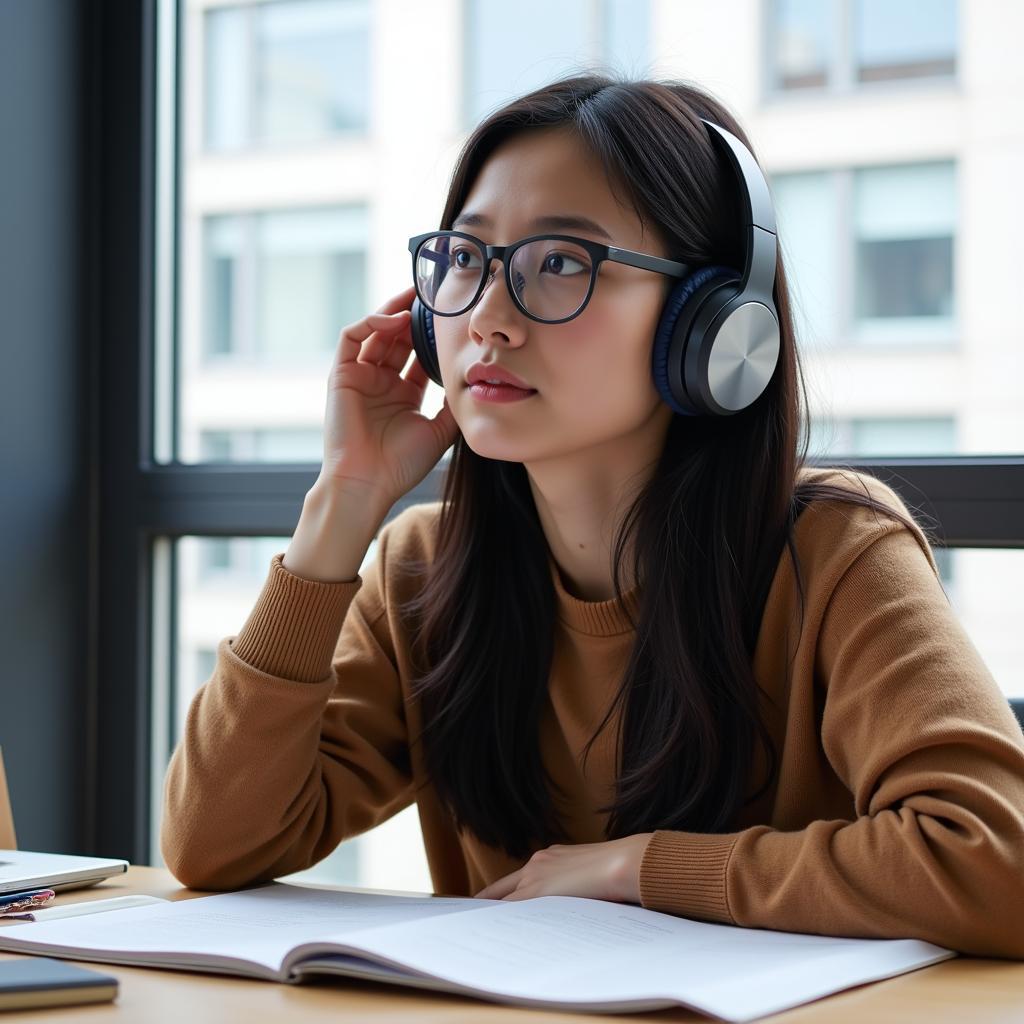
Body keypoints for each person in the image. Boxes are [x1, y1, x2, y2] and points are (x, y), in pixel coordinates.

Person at [160, 72, 1024, 958]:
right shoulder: (420, 571)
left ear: (712, 328)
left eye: (562, 263)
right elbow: (213, 845)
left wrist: (639, 869)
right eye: (465, 259)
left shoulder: (834, 554)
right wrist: (341, 505)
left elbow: (999, 859)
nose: (489, 320)